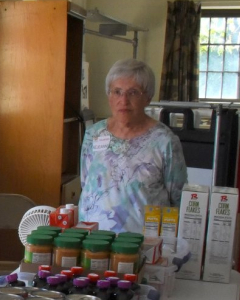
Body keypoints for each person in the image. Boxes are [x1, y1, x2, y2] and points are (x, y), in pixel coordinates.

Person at [78, 58, 188, 234]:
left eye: (133, 93)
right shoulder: (93, 134)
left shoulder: (165, 141)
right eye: (117, 92)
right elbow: (85, 183)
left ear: (148, 97)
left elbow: (178, 198)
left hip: (143, 245)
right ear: (109, 95)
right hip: (93, 241)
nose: (123, 100)